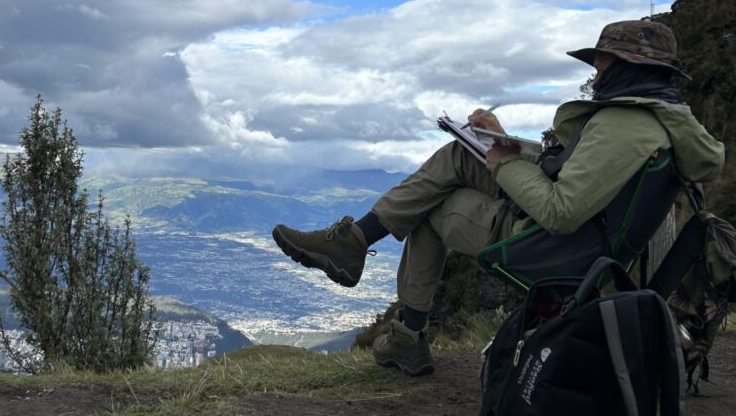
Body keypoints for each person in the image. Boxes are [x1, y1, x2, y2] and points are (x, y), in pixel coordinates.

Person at [272, 20, 725, 376]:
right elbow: (583, 180)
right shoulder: (664, 123)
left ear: (629, 67)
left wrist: (504, 164)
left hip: (555, 245)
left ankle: (405, 333)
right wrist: (502, 143)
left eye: (603, 64)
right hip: (591, 234)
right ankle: (353, 244)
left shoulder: (624, 127)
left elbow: (560, 212)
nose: (597, 73)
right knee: (457, 154)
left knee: (427, 211)